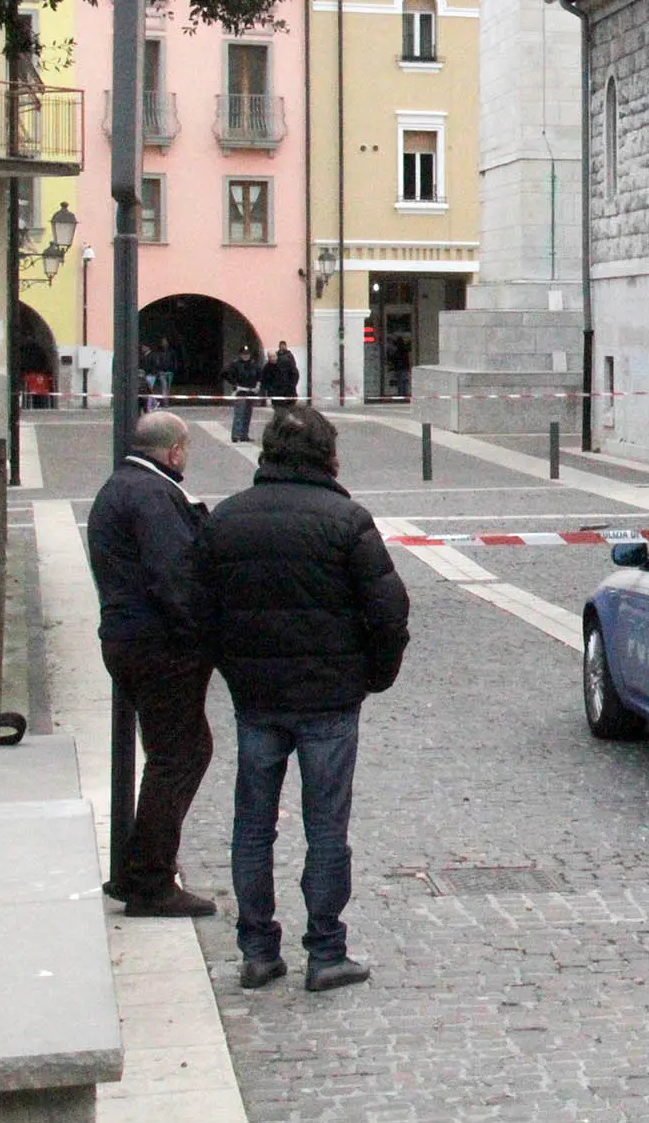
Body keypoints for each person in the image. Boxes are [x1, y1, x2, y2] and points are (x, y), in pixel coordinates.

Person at [196, 405, 408, 992]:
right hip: (329, 698)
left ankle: (258, 950)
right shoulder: (346, 520)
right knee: (326, 828)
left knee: (253, 825)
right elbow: (388, 610)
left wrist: (231, 666)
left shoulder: (228, 520)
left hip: (257, 696)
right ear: (327, 456)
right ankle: (325, 950)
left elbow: (200, 609)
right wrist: (375, 675)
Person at [84, 409, 217, 917]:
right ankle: (148, 878)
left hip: (131, 637)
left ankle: (142, 869)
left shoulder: (123, 487)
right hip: (157, 645)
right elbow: (176, 577)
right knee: (179, 754)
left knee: (177, 751)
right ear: (176, 450)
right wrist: (203, 638)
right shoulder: (153, 495)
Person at [224, 347, 261, 443]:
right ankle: (236, 435)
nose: (246, 356)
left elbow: (259, 376)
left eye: (247, 354)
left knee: (247, 414)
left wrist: (258, 385)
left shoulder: (253, 364)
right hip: (240, 391)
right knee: (239, 414)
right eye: (244, 354)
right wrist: (234, 383)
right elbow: (225, 374)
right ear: (240, 355)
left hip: (251, 392)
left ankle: (244, 435)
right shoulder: (235, 364)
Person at [261, 341, 300, 411]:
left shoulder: (286, 362)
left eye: (273, 356)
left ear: (276, 355)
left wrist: (292, 386)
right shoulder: (266, 368)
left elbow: (295, 374)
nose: (272, 359)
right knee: (279, 413)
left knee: (290, 412)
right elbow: (264, 381)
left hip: (289, 393)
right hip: (276, 395)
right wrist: (270, 391)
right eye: (270, 357)